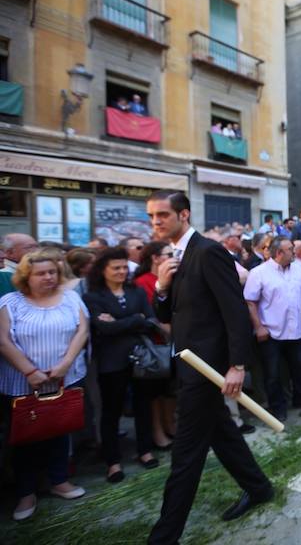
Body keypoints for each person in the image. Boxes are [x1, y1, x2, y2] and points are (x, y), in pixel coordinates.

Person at [146, 190, 273, 543]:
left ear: (183, 215)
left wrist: (237, 365)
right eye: (151, 216)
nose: (155, 222)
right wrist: (161, 286)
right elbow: (167, 315)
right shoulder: (175, 256)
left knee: (186, 456)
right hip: (189, 365)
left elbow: (234, 311)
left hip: (208, 370)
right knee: (222, 433)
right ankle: (259, 487)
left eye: (162, 215)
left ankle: (164, 536)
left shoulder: (209, 251)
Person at [0, 249, 89, 521]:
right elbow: (3, 340)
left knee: (59, 430)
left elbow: (82, 331)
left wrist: (65, 364)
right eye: (41, 273)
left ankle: (58, 480)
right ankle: (26, 492)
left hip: (65, 378)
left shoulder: (70, 298)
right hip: (23, 382)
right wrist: (30, 371)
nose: (48, 277)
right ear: (27, 276)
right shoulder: (10, 302)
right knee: (26, 438)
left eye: (52, 272)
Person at [82, 248, 161, 483]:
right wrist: (134, 320)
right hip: (110, 361)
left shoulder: (135, 291)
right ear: (102, 270)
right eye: (116, 267)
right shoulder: (93, 296)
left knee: (142, 406)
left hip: (140, 358)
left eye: (124, 267)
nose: (121, 271)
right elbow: (103, 328)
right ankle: (113, 462)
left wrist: (124, 322)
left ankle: (144, 451)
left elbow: (149, 321)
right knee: (112, 411)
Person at [243, 236, 301, 421]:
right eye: (291, 249)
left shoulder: (299, 270)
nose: (295, 251)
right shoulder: (258, 272)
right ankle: (278, 408)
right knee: (273, 374)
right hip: (271, 333)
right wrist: (258, 327)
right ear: (279, 253)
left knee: (300, 368)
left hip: (296, 332)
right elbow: (250, 302)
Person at [132, 241, 178, 448]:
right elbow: (152, 314)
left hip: (174, 343)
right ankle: (158, 433)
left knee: (170, 390)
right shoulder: (143, 282)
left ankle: (171, 426)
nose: (173, 257)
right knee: (155, 393)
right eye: (168, 254)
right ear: (155, 258)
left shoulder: (172, 277)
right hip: (156, 345)